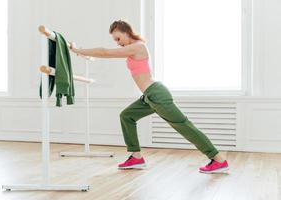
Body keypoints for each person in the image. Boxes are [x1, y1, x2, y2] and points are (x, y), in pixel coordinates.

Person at [69, 20, 229, 174]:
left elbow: (105, 52)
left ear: (126, 32)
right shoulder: (133, 48)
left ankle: (219, 159)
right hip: (148, 96)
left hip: (157, 94)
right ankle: (136, 157)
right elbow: (106, 52)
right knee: (127, 116)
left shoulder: (138, 47)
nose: (117, 42)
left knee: (184, 126)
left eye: (118, 38)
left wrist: (78, 50)